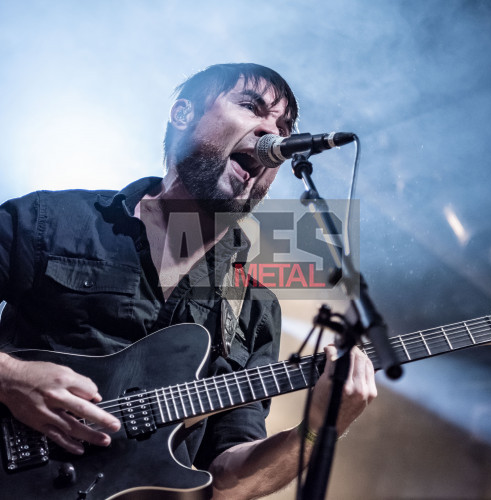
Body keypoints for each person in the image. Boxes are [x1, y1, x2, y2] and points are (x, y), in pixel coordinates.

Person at [0, 63, 377, 499]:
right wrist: (10, 378)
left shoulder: (252, 305)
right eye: (252, 108)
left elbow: (231, 479)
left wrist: (318, 428)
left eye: (284, 127)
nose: (273, 136)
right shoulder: (52, 221)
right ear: (183, 116)